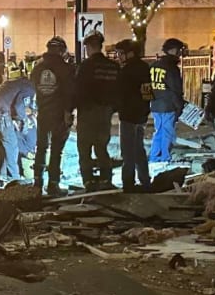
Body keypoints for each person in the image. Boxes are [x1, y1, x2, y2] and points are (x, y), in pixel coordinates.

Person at [74, 32, 120, 191]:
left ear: (89, 47)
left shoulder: (86, 66)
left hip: (87, 112)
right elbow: (118, 90)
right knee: (101, 147)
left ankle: (89, 181)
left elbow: (78, 90)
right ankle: (105, 179)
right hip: (105, 113)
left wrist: (71, 109)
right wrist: (112, 108)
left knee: (84, 147)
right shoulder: (113, 66)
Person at [29, 36, 75, 196]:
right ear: (62, 51)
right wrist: (68, 113)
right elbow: (69, 92)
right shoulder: (65, 68)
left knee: (41, 148)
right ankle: (53, 184)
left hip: (43, 113)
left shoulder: (38, 67)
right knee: (56, 150)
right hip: (59, 114)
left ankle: (37, 183)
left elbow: (35, 87)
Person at [115, 39, 152, 192]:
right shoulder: (144, 68)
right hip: (140, 115)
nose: (119, 57)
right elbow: (148, 92)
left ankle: (128, 182)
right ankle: (145, 180)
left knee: (128, 151)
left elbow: (120, 94)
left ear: (129, 53)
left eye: (120, 53)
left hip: (128, 116)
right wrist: (145, 110)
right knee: (139, 149)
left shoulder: (125, 71)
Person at [0, 64, 32, 185]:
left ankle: (2, 173)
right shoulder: (30, 87)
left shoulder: (18, 82)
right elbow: (19, 106)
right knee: (11, 145)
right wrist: (23, 119)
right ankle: (13, 177)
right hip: (0, 112)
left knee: (3, 143)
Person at [148, 38, 187, 164]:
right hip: (168, 105)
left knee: (158, 131)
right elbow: (175, 89)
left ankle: (154, 156)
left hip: (155, 105)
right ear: (174, 50)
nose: (181, 54)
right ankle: (165, 157)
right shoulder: (172, 68)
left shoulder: (154, 66)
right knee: (167, 132)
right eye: (180, 50)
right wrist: (179, 106)